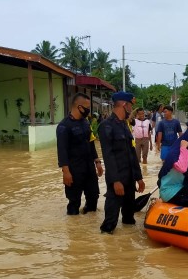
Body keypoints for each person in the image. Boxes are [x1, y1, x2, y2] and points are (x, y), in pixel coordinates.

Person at [98, 91, 145, 234]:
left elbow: (132, 154)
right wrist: (115, 181)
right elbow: (108, 156)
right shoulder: (106, 126)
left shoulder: (125, 125)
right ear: (124, 105)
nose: (132, 108)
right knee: (110, 224)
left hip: (130, 178)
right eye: (131, 105)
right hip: (117, 178)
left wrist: (139, 177)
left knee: (129, 220)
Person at [56, 92, 103, 215]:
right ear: (79, 107)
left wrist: (97, 161)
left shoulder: (85, 123)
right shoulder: (64, 126)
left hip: (89, 167)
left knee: (93, 196)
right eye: (87, 107)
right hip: (74, 169)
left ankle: (89, 225)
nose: (89, 110)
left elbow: (91, 143)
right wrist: (66, 172)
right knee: (74, 201)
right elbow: (62, 151)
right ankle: (73, 230)